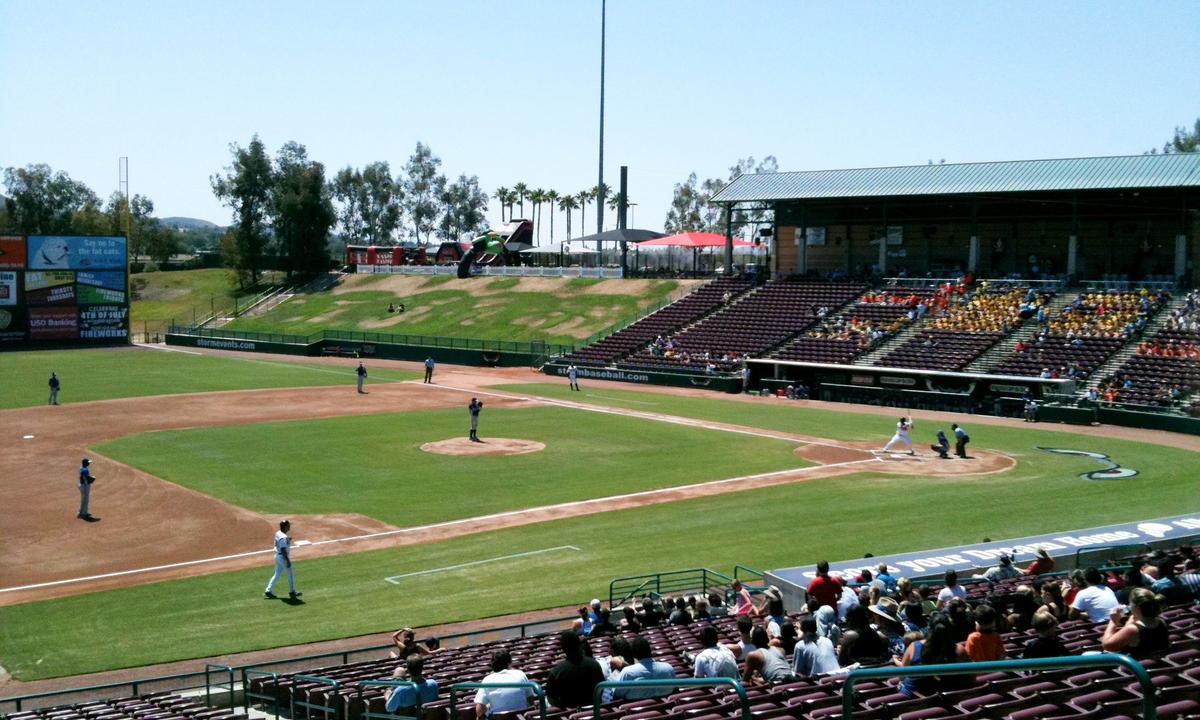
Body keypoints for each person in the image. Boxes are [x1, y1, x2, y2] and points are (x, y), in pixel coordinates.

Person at [1100, 587, 1170, 659]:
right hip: (1154, 664)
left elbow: (1107, 646)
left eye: (1130, 603)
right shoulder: (1161, 621)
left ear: (1136, 607)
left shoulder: (1132, 629)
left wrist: (1113, 621)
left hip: (1134, 667)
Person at [545, 630, 604, 709]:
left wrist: (564, 708)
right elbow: (602, 689)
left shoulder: (557, 671)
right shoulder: (594, 664)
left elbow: (551, 700)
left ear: (563, 648)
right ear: (579, 645)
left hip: (569, 714)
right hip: (595, 712)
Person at [474, 649, 535, 717]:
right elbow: (531, 700)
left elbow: (479, 711)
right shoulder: (520, 674)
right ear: (509, 663)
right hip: (522, 717)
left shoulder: (487, 680)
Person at [264, 520, 301, 599]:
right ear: (285, 527)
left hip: (277, 557)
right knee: (290, 575)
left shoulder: (278, 533)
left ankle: (268, 590)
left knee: (276, 574)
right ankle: (292, 592)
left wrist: (287, 539)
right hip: (283, 558)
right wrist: (287, 560)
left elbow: (279, 543)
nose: (289, 526)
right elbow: (283, 549)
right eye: (288, 525)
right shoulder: (283, 538)